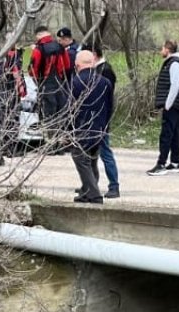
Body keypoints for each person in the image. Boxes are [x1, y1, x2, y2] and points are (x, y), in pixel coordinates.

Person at [69, 50, 112, 204]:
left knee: (80, 158)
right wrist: (105, 127)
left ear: (77, 65)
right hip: (99, 127)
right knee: (92, 159)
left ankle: (94, 194)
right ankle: (87, 191)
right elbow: (109, 107)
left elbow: (70, 109)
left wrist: (68, 130)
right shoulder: (105, 82)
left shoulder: (75, 82)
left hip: (82, 127)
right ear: (92, 63)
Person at [147, 40, 179, 176]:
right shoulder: (175, 62)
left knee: (166, 134)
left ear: (167, 50)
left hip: (173, 104)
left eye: (162, 48)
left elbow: (175, 85)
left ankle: (161, 163)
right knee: (174, 133)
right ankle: (175, 162)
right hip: (175, 104)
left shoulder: (174, 63)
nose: (161, 51)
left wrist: (168, 104)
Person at [28, 26, 72, 135]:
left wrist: (37, 81)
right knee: (60, 112)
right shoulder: (60, 47)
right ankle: (60, 142)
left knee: (48, 114)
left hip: (45, 85)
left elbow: (32, 71)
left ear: (38, 35)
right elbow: (67, 66)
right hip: (59, 84)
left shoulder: (38, 49)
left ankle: (50, 143)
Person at [92, 46, 119, 198]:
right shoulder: (98, 69)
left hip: (101, 119)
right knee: (91, 154)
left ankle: (114, 185)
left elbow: (105, 97)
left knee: (105, 153)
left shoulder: (105, 70)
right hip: (95, 118)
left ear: (94, 55)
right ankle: (91, 183)